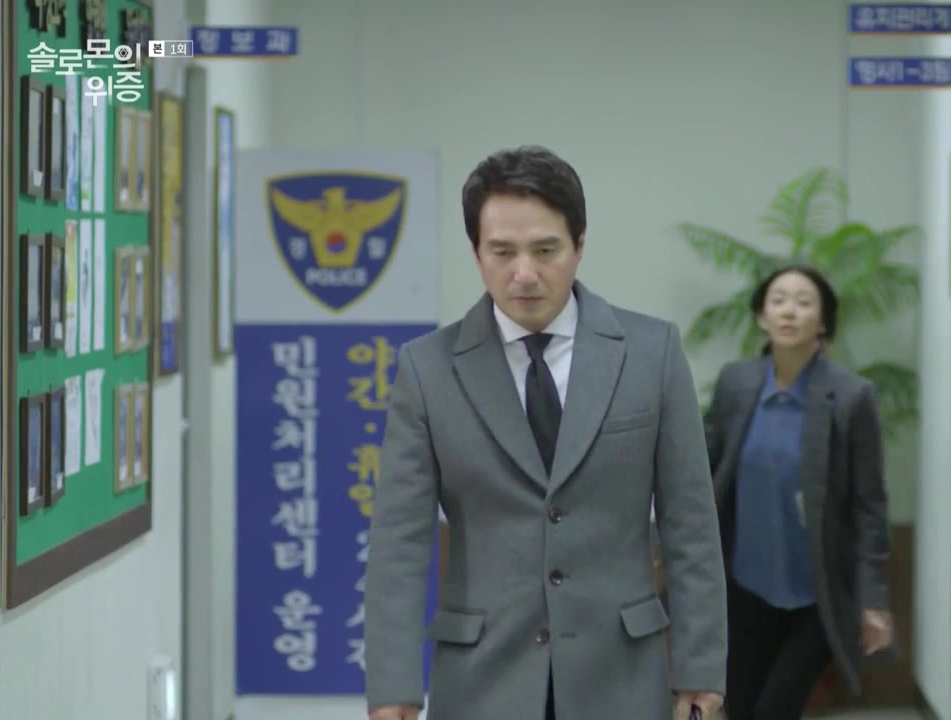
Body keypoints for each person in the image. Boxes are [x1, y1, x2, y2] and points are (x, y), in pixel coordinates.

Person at [364, 146, 727, 720]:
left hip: (622, 675)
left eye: (545, 250)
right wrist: (393, 689)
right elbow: (399, 543)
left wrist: (700, 670)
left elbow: (691, 526)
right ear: (476, 253)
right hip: (483, 678)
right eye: (502, 252)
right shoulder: (427, 370)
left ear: (579, 245)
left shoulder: (651, 353)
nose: (525, 274)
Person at [704, 264, 894, 720]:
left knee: (775, 710)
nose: (789, 311)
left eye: (804, 302)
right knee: (739, 708)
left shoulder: (851, 397)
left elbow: (869, 506)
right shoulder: (735, 384)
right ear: (762, 317)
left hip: (817, 595)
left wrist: (873, 600)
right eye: (778, 301)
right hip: (743, 588)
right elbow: (705, 474)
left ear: (823, 321)